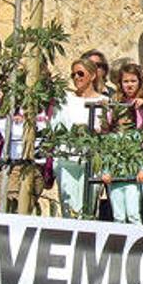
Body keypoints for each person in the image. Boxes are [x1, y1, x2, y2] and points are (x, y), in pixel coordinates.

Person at [51, 58, 107, 218]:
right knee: (68, 209)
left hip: (91, 160)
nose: (76, 77)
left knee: (88, 209)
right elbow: (55, 127)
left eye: (80, 73)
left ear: (93, 75)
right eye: (73, 74)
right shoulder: (64, 100)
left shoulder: (103, 102)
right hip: (67, 159)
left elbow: (107, 132)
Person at [99, 63, 143, 224]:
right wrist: (106, 171)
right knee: (118, 215)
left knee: (134, 213)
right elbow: (107, 149)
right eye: (125, 81)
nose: (129, 85)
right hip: (116, 173)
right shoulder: (112, 133)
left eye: (133, 81)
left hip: (133, 174)